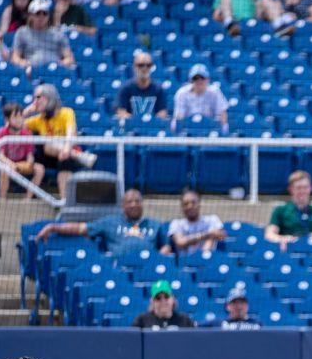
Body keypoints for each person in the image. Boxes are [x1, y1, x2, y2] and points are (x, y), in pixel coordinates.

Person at [37, 189, 168, 256]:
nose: (134, 204)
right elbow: (80, 228)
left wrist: (157, 259)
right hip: (119, 270)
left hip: (148, 269)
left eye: (137, 201)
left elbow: (167, 247)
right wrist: (53, 227)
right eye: (129, 202)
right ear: (122, 206)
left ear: (142, 204)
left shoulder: (155, 225)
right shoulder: (110, 222)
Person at [23, 83, 88, 200]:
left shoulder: (66, 112)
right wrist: (27, 112)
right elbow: (15, 126)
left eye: (39, 97)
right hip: (49, 156)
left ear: (50, 97)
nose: (35, 101)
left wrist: (67, 149)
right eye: (34, 98)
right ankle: (79, 156)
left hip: (66, 155)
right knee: (46, 145)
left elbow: (70, 132)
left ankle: (65, 202)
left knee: (64, 160)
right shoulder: (38, 120)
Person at [264, 170, 312, 249]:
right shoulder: (280, 210)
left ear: (311, 188)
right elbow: (269, 235)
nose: (302, 191)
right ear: (291, 189)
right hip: (290, 251)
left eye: (305, 187)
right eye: (298, 188)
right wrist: (282, 239)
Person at [0, 102, 44, 199]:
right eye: (15, 117)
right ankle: (1, 201)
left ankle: (27, 200)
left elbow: (30, 155)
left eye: (21, 117)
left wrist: (29, 164)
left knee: (39, 169)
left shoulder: (27, 133)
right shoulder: (1, 132)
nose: (19, 120)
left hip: (21, 164)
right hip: (5, 164)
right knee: (5, 170)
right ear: (7, 119)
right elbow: (0, 155)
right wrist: (11, 164)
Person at [12, 0, 75, 71]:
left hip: (54, 72)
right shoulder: (22, 33)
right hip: (31, 71)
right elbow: (15, 57)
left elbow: (70, 58)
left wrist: (60, 65)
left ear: (48, 16)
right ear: (30, 15)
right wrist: (24, 63)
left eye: (45, 13)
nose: (41, 17)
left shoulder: (58, 34)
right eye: (38, 13)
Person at [162, 188, 226, 254]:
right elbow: (180, 242)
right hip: (184, 262)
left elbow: (220, 235)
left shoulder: (212, 219)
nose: (190, 206)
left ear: (199, 203)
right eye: (186, 204)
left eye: (193, 202)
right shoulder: (176, 223)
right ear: (182, 206)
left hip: (208, 261)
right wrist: (207, 234)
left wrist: (202, 256)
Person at [173, 64, 229, 132]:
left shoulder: (215, 92)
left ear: (208, 79)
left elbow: (222, 114)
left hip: (210, 131)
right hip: (188, 131)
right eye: (195, 78)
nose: (199, 81)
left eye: (202, 78)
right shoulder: (182, 93)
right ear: (191, 80)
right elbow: (179, 117)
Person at [115, 50, 168, 120]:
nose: (144, 68)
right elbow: (121, 112)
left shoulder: (158, 89)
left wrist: (149, 122)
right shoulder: (126, 88)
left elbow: (162, 113)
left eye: (148, 65)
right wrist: (137, 122)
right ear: (134, 67)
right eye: (141, 65)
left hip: (152, 129)